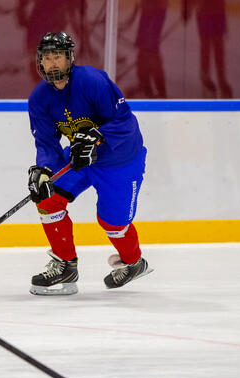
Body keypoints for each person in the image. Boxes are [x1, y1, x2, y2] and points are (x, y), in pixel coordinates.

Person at [26, 32, 153, 296]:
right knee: (47, 198)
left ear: (70, 58)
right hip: (80, 157)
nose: (52, 63)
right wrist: (45, 170)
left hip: (119, 160)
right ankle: (65, 265)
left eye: (57, 56)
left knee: (112, 223)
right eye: (46, 58)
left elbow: (125, 122)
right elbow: (47, 144)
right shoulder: (39, 98)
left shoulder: (92, 81)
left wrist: (99, 137)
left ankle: (134, 263)